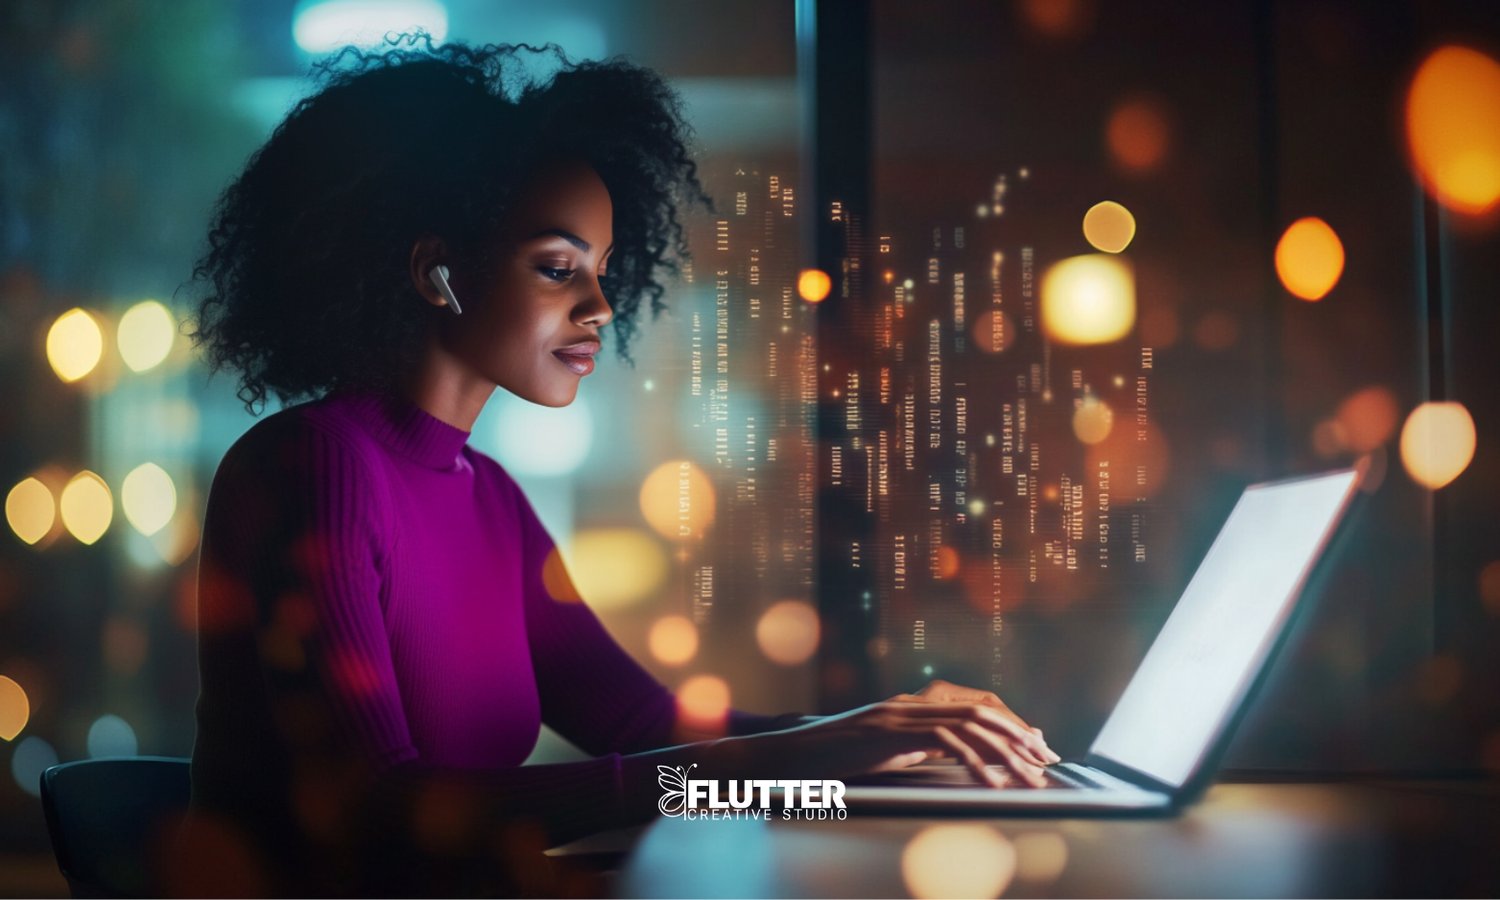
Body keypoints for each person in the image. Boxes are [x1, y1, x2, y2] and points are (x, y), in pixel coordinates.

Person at [182, 35, 1058, 897]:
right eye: (559, 268)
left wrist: (883, 761)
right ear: (435, 271)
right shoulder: (312, 466)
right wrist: (809, 758)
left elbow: (642, 729)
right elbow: (386, 813)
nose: (601, 306)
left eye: (602, 271)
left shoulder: (489, 499)